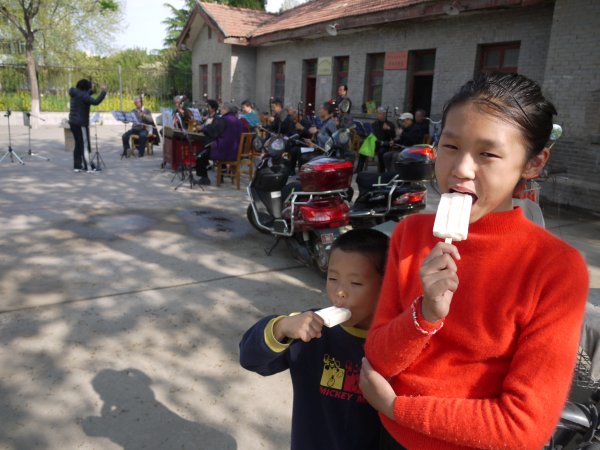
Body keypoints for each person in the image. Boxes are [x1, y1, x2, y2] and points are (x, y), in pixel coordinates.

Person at [359, 72, 589, 449]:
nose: (461, 169)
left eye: (487, 153)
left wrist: (396, 407)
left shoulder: (557, 269)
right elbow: (378, 361)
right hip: (390, 440)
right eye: (450, 146)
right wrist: (427, 314)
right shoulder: (411, 234)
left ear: (533, 163)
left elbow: (523, 427)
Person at [239, 229, 390, 450]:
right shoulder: (309, 330)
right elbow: (250, 358)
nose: (339, 292)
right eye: (333, 278)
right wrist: (281, 326)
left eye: (355, 283)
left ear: (386, 286)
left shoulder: (399, 342)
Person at [194, 101, 242, 186]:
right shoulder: (238, 121)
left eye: (222, 108)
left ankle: (204, 178)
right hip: (235, 151)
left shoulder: (224, 120)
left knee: (200, 155)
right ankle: (221, 177)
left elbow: (213, 131)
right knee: (207, 149)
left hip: (224, 152)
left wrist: (203, 129)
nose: (221, 110)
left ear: (226, 109)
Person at [68, 79, 106, 172]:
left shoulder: (75, 93)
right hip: (81, 123)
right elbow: (96, 101)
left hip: (73, 122)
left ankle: (77, 166)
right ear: (85, 88)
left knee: (78, 144)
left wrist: (92, 90)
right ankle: (89, 167)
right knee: (85, 145)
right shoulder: (83, 95)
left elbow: (85, 95)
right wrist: (103, 92)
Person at [367, 107, 396, 173]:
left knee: (381, 152)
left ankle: (381, 171)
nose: (379, 115)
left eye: (381, 114)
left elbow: (393, 136)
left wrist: (388, 129)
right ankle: (359, 169)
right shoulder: (374, 124)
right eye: (378, 113)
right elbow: (372, 135)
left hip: (385, 145)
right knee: (363, 151)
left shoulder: (390, 124)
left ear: (384, 115)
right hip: (376, 143)